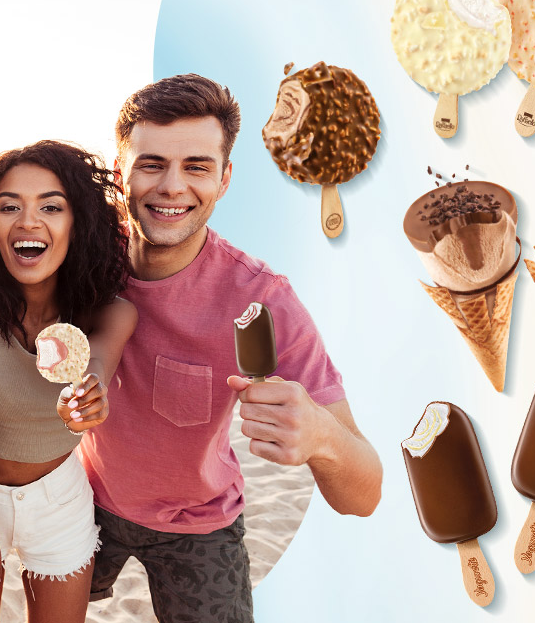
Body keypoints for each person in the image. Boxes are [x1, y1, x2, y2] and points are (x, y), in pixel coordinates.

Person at [79, 74, 383, 623]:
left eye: (197, 166)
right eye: (151, 163)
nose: (172, 186)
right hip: (84, 501)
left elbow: (363, 495)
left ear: (224, 179)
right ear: (120, 169)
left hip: (199, 523)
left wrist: (321, 435)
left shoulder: (262, 300)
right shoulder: (82, 256)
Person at [0, 141, 137, 623]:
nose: (28, 221)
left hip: (58, 497)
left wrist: (90, 393)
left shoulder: (109, 309)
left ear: (77, 222)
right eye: (9, 207)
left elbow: (99, 359)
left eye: (51, 207)